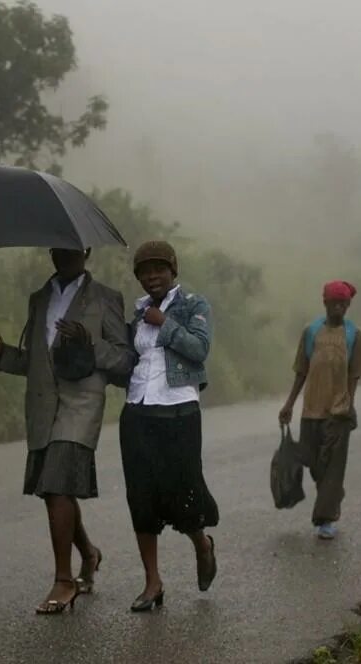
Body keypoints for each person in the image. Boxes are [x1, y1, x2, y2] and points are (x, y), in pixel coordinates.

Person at [0, 248, 134, 614]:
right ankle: (89, 553)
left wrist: (88, 343)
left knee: (56, 486)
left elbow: (124, 360)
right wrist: (1, 353)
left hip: (80, 406)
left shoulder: (105, 298)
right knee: (55, 489)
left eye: (73, 247)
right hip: (41, 407)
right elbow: (34, 362)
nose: (65, 254)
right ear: (51, 251)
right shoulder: (39, 299)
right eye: (58, 247)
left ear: (87, 251)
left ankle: (64, 580)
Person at [118, 240, 219, 613]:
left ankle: (202, 545)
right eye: (145, 271)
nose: (152, 277)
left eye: (159, 269)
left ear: (172, 270)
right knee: (141, 498)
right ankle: (152, 583)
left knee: (184, 493)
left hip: (179, 412)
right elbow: (127, 361)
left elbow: (199, 349)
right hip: (137, 413)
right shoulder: (137, 313)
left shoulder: (194, 305)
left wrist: (166, 324)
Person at [278, 280, 361, 540]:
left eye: (343, 304)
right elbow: (301, 371)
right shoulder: (311, 331)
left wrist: (349, 404)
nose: (339, 308)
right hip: (311, 410)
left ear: (348, 306)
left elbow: (354, 375)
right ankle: (333, 495)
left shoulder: (354, 335)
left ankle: (324, 518)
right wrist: (289, 404)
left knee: (333, 467)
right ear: (325, 304)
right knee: (315, 464)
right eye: (334, 303)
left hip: (338, 412)